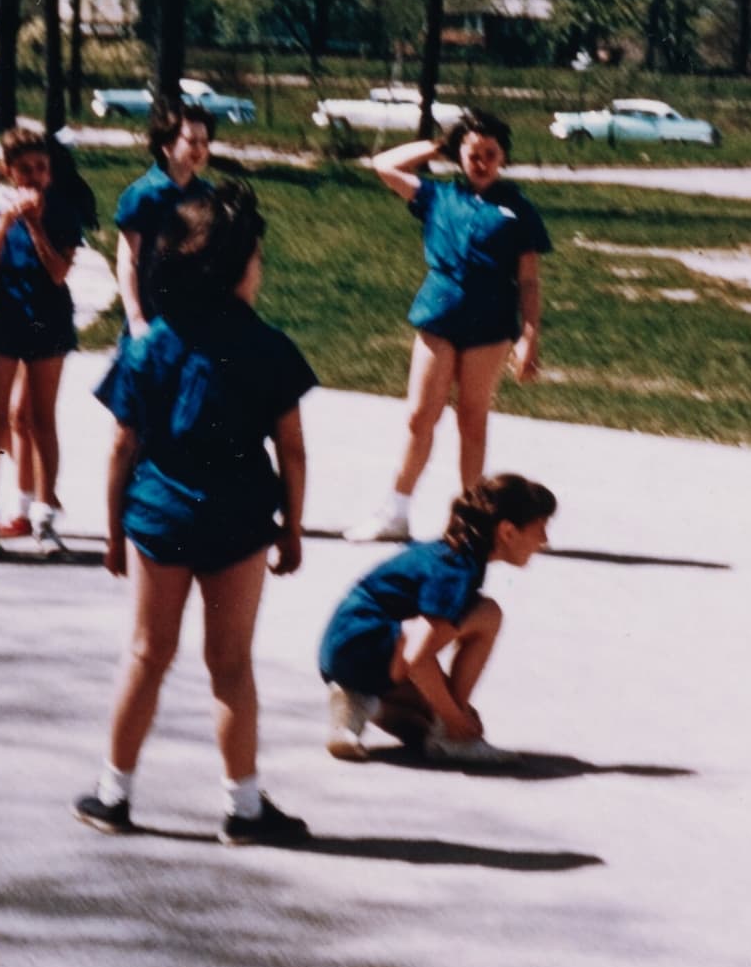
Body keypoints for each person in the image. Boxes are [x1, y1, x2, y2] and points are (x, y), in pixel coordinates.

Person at [72, 182, 316, 844]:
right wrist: (291, 527)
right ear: (237, 269)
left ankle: (111, 793)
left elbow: (124, 446)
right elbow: (291, 451)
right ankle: (243, 807)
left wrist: (113, 530)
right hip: (239, 520)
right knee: (231, 663)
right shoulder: (270, 348)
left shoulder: (148, 345)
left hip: (158, 516)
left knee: (148, 653)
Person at [345, 111, 550, 543]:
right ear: (460, 155)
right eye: (473, 153)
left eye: (491, 154)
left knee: (472, 420)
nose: (481, 162)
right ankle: (395, 512)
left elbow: (529, 281)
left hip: (490, 325)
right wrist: (442, 143)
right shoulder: (437, 196)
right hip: (439, 317)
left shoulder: (519, 211)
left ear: (503, 158)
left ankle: (472, 521)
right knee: (421, 416)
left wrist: (529, 336)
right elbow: (384, 165)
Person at [321, 475, 557, 768]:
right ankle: (449, 737)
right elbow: (416, 656)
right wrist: (454, 718)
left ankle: (356, 708)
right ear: (508, 531)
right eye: (541, 527)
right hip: (368, 646)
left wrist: (449, 712)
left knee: (436, 719)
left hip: (342, 650)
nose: (545, 541)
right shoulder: (456, 570)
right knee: (488, 615)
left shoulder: (453, 552)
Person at [0, 128, 85, 558]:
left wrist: (35, 225)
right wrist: (5, 221)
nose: (35, 177)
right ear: (10, 173)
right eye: (26, 170)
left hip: (48, 322)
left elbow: (57, 271)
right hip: (4, 321)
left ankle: (45, 518)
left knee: (41, 420)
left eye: (42, 168)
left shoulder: (63, 214)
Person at [114, 97, 218, 342]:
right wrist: (136, 318)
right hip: (150, 320)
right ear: (167, 145)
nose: (200, 149)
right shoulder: (142, 195)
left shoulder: (208, 195)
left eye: (205, 142)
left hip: (194, 319)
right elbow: (127, 262)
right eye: (191, 141)